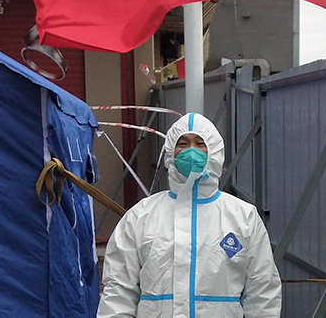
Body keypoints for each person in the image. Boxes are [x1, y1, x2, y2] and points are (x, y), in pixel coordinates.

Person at [97, 112, 282, 317]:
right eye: (183, 144)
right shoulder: (141, 216)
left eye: (200, 144)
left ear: (214, 151)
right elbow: (118, 291)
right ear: (170, 152)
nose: (191, 151)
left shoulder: (243, 217)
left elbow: (262, 292)